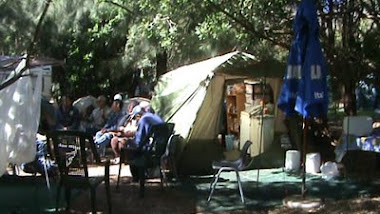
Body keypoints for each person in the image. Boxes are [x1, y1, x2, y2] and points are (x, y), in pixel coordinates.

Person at [127, 104, 164, 182]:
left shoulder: (144, 119)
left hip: (150, 151)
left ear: (138, 115)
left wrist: (130, 143)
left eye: (135, 118)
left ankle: (136, 177)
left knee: (131, 149)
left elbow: (139, 140)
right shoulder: (156, 117)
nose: (136, 121)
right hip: (160, 150)